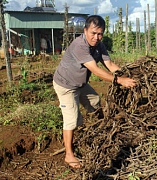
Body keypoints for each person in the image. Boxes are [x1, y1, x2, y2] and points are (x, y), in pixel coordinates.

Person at [53, 15, 136, 169]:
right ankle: (69, 155)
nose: (96, 37)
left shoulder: (99, 46)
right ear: (85, 31)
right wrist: (120, 81)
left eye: (100, 34)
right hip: (66, 85)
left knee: (95, 102)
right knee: (72, 119)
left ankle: (100, 128)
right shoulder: (80, 46)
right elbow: (96, 70)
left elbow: (110, 65)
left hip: (81, 83)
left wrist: (127, 75)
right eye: (93, 33)